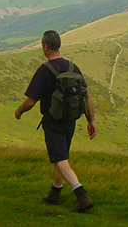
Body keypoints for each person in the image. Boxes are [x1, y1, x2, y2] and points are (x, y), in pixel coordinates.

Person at [14, 30, 97, 213]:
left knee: (59, 158)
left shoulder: (45, 70)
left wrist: (19, 111)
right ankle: (55, 193)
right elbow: (86, 95)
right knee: (62, 157)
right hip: (71, 120)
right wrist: (91, 121)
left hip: (53, 121)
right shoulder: (72, 67)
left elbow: (30, 101)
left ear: (45, 47)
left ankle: (81, 195)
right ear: (58, 45)